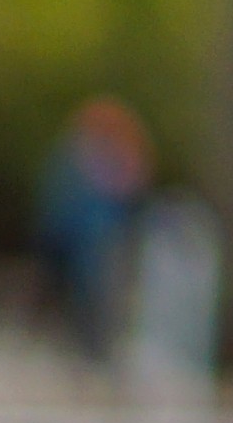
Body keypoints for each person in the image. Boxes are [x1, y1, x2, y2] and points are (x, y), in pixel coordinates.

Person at [32, 96, 151, 362]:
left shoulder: (89, 158)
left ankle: (92, 351)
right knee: (85, 298)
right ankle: (88, 351)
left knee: (94, 299)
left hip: (95, 244)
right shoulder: (76, 159)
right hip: (81, 245)